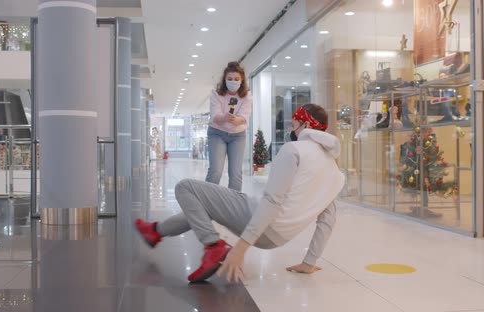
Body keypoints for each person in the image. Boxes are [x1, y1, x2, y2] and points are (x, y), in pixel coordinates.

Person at [135, 104, 345, 283]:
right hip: (276, 239)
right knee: (205, 205)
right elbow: (327, 221)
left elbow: (272, 201)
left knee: (186, 187)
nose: (292, 129)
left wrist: (240, 248)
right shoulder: (335, 173)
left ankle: (212, 246)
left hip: (258, 218)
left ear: (306, 125)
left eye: (294, 124)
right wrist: (309, 262)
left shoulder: (294, 150)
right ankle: (156, 231)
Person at [206, 61, 252, 192]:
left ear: (242, 80)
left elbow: (244, 117)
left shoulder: (247, 95)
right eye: (230, 79)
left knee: (236, 173)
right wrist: (223, 118)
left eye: (236, 79)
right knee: (215, 170)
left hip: (238, 136)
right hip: (217, 133)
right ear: (224, 79)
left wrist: (237, 119)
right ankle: (207, 200)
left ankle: (234, 204)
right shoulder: (216, 93)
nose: (233, 82)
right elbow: (215, 115)